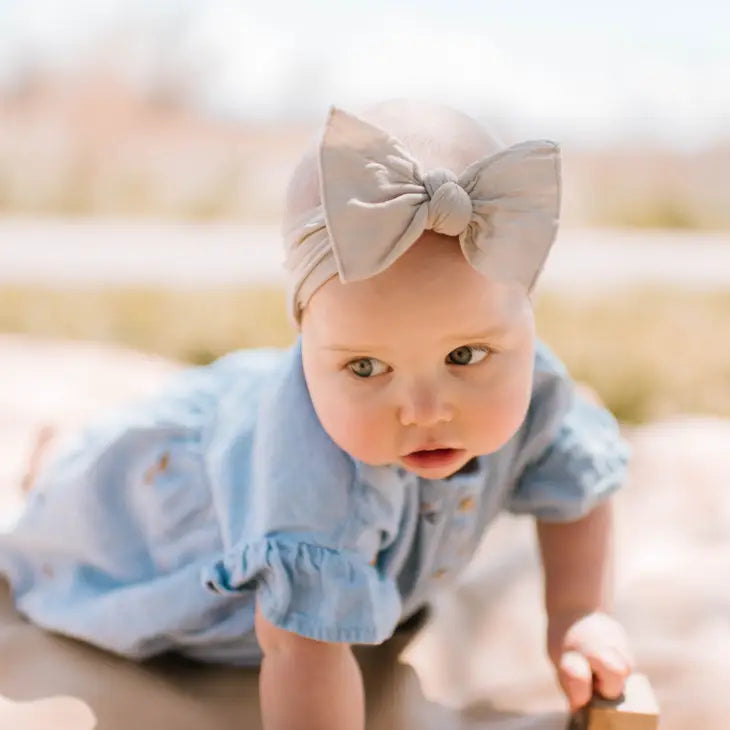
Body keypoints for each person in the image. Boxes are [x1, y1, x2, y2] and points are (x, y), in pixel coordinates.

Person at [0, 100, 634, 730]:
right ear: (308, 341)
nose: (423, 410)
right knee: (90, 495)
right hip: (167, 529)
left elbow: (578, 487)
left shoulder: (541, 387)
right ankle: (63, 460)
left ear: (526, 320)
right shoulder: (306, 480)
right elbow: (302, 657)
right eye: (365, 367)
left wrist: (579, 615)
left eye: (465, 355)